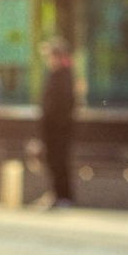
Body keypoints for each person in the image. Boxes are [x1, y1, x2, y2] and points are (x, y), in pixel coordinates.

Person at [39, 39, 76, 208]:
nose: (48, 60)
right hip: (53, 127)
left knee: (59, 160)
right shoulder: (57, 75)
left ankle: (63, 195)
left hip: (59, 128)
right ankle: (57, 194)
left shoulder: (64, 76)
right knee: (53, 160)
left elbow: (61, 105)